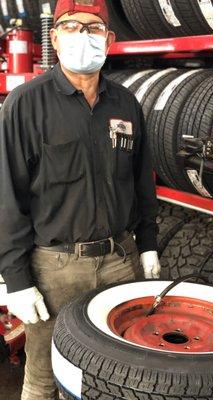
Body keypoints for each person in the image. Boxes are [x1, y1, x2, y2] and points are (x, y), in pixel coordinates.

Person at [0, 0, 161, 398]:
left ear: (108, 40)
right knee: (44, 375)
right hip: (56, 270)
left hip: (119, 262)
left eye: (92, 28)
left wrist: (149, 245)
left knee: (120, 373)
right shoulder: (25, 104)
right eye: (72, 27)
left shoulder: (125, 104)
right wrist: (16, 280)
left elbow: (141, 181)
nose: (82, 36)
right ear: (54, 37)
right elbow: (8, 198)